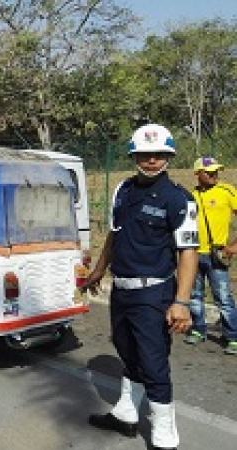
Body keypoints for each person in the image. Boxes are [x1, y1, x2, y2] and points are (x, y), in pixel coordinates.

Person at [82, 124, 198, 450]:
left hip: (153, 293)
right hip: (122, 289)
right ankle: (126, 415)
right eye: (145, 154)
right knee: (127, 352)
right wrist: (99, 270)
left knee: (153, 362)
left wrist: (182, 302)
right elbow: (115, 234)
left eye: (158, 154)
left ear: (168, 156)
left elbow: (188, 251)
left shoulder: (179, 199)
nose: (151, 160)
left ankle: (164, 438)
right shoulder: (123, 190)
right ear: (134, 155)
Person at [184, 156, 237, 355]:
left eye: (216, 171)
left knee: (223, 297)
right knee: (195, 295)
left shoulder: (227, 191)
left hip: (217, 255)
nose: (214, 175)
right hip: (194, 254)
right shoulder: (189, 196)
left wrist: (233, 247)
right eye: (209, 172)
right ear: (198, 174)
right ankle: (199, 330)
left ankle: (232, 336)